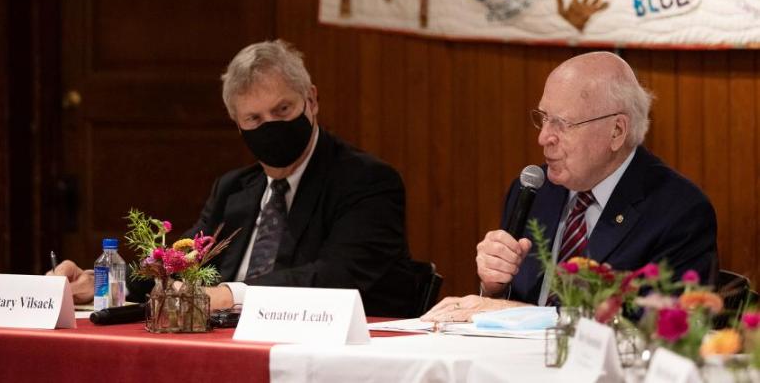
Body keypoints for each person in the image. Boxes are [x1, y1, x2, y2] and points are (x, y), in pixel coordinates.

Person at [51, 39, 417, 317]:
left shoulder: (367, 183)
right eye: (254, 119)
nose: (270, 126)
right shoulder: (234, 190)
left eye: (283, 109)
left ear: (312, 100)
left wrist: (232, 294)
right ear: (238, 125)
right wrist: (101, 285)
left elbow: (337, 278)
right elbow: (179, 261)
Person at [423, 51, 717, 322]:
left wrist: (523, 315)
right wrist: (494, 287)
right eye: (543, 119)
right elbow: (505, 305)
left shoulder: (679, 212)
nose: (544, 138)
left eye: (562, 124)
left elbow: (653, 326)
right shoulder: (532, 191)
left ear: (616, 131)